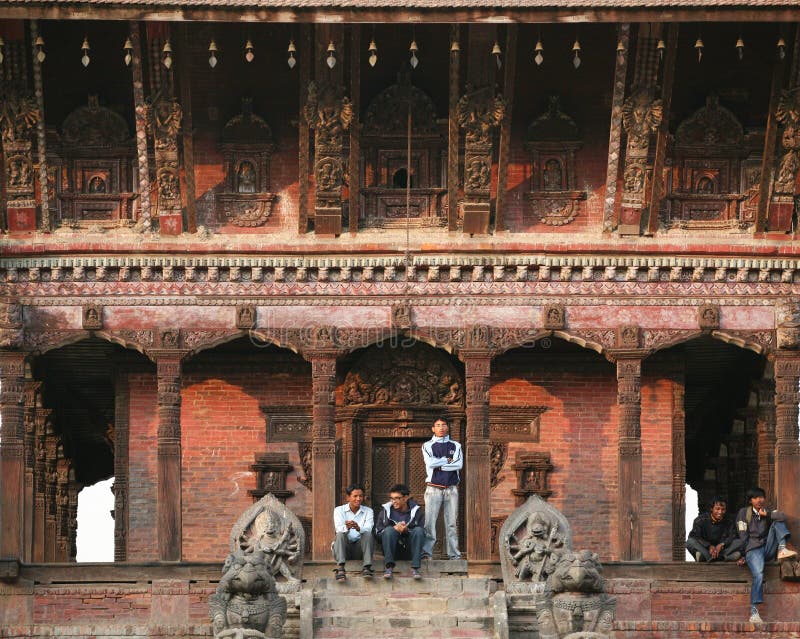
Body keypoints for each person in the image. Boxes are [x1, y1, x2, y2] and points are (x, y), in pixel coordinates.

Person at [735, 487, 797, 623]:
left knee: (777, 521)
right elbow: (743, 536)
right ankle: (754, 612)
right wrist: (744, 555)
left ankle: (782, 548)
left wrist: (767, 515)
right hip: (753, 549)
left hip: (767, 548)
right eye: (756, 497)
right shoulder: (743, 513)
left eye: (761, 497)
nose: (759, 500)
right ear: (751, 500)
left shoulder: (766, 511)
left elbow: (781, 516)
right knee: (758, 574)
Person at [421, 416, 462, 560]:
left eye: (444, 424)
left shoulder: (456, 445)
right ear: (433, 428)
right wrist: (447, 460)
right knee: (429, 523)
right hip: (433, 488)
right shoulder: (427, 445)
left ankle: (454, 555)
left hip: (451, 488)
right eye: (438, 425)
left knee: (451, 523)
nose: (441, 427)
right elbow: (430, 463)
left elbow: (458, 465)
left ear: (447, 427)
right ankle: (427, 553)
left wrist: (440, 465)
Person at [374, 483, 425, 580]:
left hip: (410, 551)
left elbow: (423, 533)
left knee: (418, 530)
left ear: (406, 498)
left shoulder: (417, 511)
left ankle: (415, 568)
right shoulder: (385, 511)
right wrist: (394, 529)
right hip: (392, 551)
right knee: (389, 530)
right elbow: (377, 534)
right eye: (392, 498)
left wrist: (407, 530)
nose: (394, 501)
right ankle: (389, 568)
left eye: (397, 498)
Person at [332, 483, 375, 580]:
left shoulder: (368, 511)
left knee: (367, 534)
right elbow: (338, 528)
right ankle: (341, 568)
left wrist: (359, 528)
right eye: (355, 496)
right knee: (340, 534)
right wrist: (346, 527)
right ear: (348, 497)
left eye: (361, 496)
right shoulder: (339, 510)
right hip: (344, 549)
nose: (358, 499)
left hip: (359, 550)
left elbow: (368, 528)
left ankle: (367, 567)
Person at [686, 497, 743, 562]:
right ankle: (723, 558)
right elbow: (695, 536)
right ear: (711, 509)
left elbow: (733, 536)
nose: (720, 512)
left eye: (723, 509)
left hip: (722, 550)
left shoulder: (730, 520)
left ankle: (707, 558)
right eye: (717, 509)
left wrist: (722, 544)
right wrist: (709, 546)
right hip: (706, 549)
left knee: (739, 542)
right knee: (689, 542)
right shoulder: (700, 520)